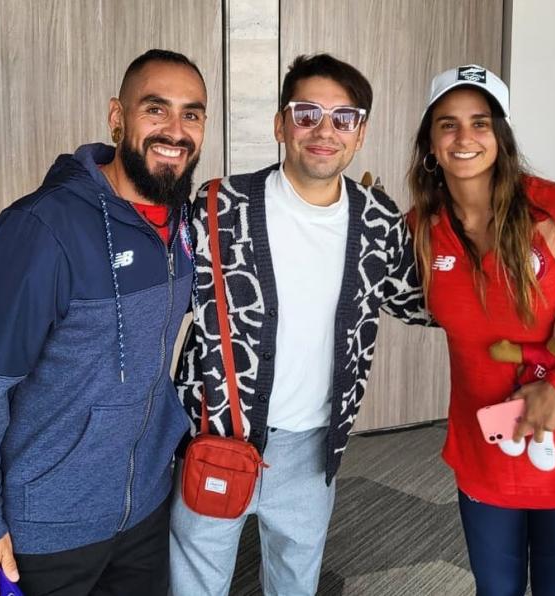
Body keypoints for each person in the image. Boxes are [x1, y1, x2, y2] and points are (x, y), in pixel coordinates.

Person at [0, 49, 206, 596]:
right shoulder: (40, 230)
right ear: (117, 117)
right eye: (156, 109)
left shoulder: (181, 225)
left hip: (145, 508)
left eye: (192, 114)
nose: (175, 130)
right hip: (47, 526)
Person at [170, 53, 429, 595]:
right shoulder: (220, 205)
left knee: (294, 582)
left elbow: (423, 303)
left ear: (360, 134)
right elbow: (161, 292)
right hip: (217, 436)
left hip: (312, 449)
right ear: (280, 124)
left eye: (344, 118)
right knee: (195, 583)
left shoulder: (379, 222)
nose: (324, 131)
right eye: (306, 112)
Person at [408, 64, 555, 595]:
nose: (465, 137)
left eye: (481, 122)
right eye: (448, 124)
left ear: (501, 136)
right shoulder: (421, 230)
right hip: (484, 451)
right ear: (430, 140)